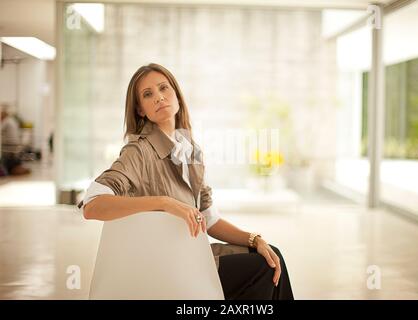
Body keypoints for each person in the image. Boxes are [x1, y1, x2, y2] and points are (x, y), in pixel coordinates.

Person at [78, 63, 294, 300]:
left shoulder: (192, 152)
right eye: (148, 94)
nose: (159, 97)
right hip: (167, 266)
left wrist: (255, 238)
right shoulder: (138, 151)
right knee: (262, 269)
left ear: (177, 95)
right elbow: (92, 206)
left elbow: (209, 220)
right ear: (141, 110)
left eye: (164, 88)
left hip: (192, 256)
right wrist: (164, 203)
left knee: (271, 254)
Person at [1, 107, 31, 176]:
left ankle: (5, 170)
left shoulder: (6, 121)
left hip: (9, 146)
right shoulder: (12, 120)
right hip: (15, 145)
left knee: (5, 158)